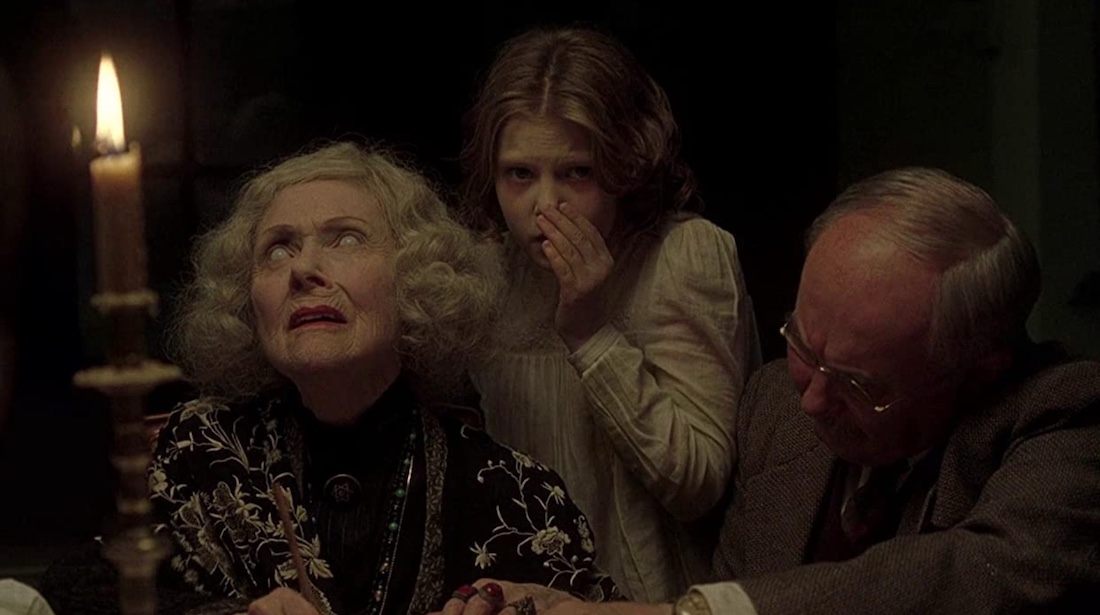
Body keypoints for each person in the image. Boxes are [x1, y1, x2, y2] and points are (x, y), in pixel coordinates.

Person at [436, 167, 1100, 614]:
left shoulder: (1065, 413)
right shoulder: (776, 403)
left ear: (980, 369)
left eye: (860, 384)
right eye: (804, 346)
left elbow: (986, 571)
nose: (812, 400)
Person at [40, 142, 618, 615]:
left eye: (345, 238)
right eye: (277, 250)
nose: (304, 270)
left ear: (417, 278)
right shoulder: (205, 448)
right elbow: (76, 589)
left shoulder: (509, 490)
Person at [459, 26, 760, 603]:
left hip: (644, 602)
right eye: (520, 174)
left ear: (625, 168)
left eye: (577, 172)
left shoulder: (682, 255)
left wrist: (592, 333)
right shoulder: (485, 270)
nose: (545, 205)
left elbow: (698, 483)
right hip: (518, 596)